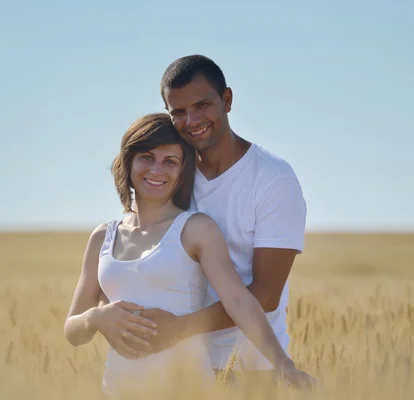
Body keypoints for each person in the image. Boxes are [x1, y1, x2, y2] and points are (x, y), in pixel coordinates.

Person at [63, 113, 315, 396]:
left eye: (170, 161)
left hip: (187, 387)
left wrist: (283, 364)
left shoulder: (195, 229)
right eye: (147, 157)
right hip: (120, 389)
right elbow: (73, 331)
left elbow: (239, 300)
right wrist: (96, 318)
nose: (157, 170)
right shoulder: (102, 237)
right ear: (128, 161)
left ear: (183, 171)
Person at [96, 55, 311, 385]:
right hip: (179, 367)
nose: (192, 120)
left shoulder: (273, 180)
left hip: (251, 366)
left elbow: (266, 294)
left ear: (226, 101)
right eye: (178, 112)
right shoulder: (172, 172)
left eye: (202, 105)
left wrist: (180, 328)